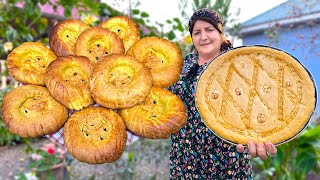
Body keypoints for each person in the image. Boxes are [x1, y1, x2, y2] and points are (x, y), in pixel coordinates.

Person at [168, 8, 277, 179]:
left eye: (209, 30)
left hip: (228, 162)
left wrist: (260, 134)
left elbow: (257, 103)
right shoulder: (182, 66)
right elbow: (165, 101)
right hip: (185, 161)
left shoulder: (238, 64)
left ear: (220, 33)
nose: (203, 37)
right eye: (197, 32)